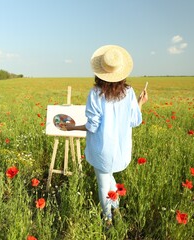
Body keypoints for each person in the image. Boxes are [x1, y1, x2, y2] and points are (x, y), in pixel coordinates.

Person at [64, 45, 148, 228]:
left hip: (102, 149)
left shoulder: (96, 93)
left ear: (99, 72)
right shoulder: (129, 92)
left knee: (103, 183)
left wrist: (72, 128)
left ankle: (108, 219)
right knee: (109, 176)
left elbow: (92, 126)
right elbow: (134, 120)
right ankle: (116, 208)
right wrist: (140, 103)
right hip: (120, 149)